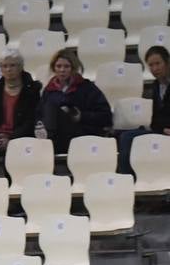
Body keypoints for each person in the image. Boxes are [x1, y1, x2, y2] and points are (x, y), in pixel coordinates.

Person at [36, 48, 112, 155]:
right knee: (49, 109)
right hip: (57, 134)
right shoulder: (49, 90)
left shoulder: (87, 88)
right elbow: (39, 115)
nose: (62, 70)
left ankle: (47, 145)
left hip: (81, 132)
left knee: (51, 108)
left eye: (66, 66)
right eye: (59, 66)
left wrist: (81, 116)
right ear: (54, 68)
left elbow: (106, 115)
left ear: (73, 68)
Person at [0, 48, 41, 154]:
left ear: (20, 67)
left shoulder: (32, 89)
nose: (8, 69)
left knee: (13, 152)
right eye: (4, 66)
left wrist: (11, 138)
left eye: (12, 65)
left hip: (20, 137)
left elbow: (31, 121)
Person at [117, 45, 170, 174]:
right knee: (126, 136)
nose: (155, 69)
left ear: (167, 62)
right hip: (161, 131)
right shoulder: (156, 85)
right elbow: (155, 118)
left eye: (158, 63)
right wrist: (161, 128)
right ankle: (126, 178)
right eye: (151, 65)